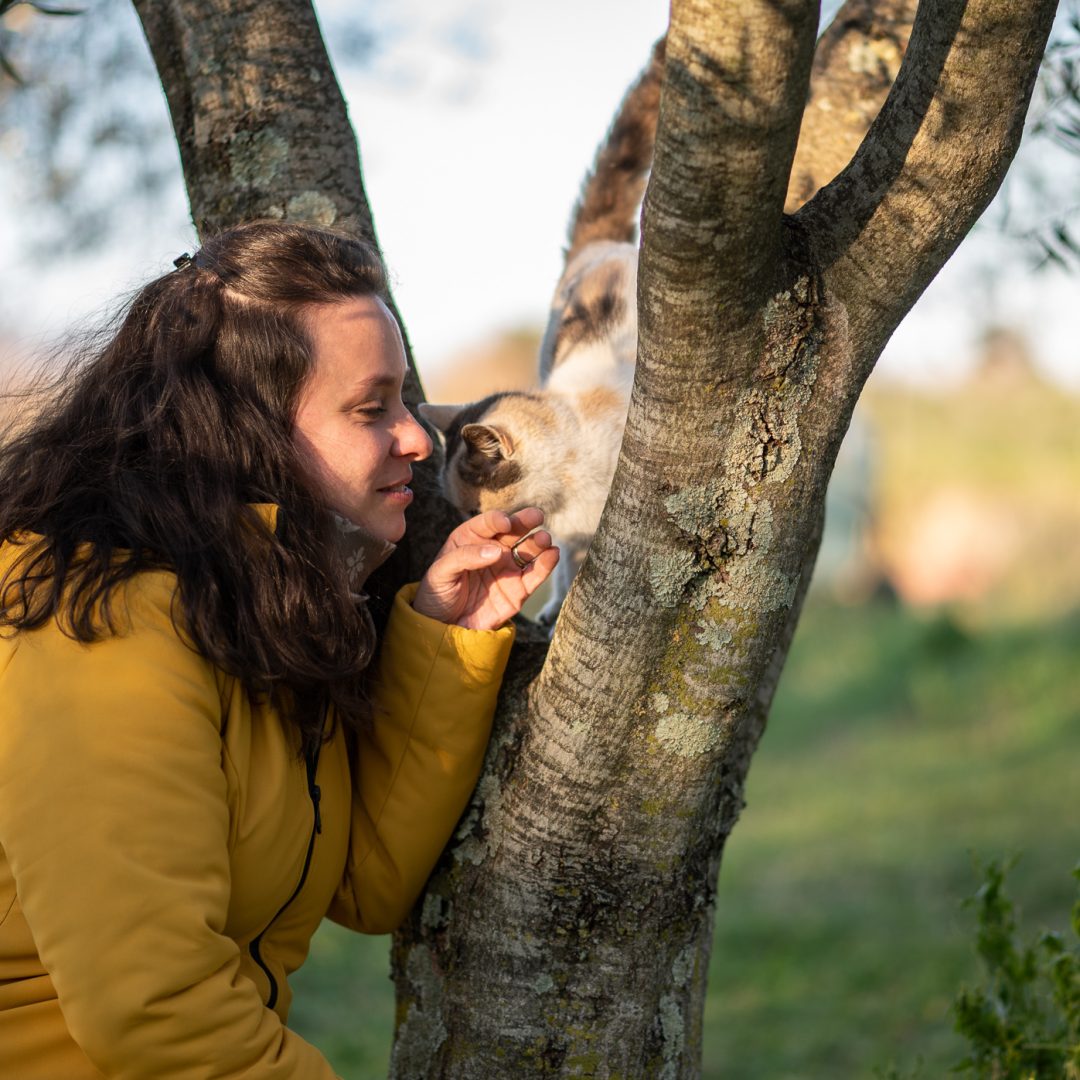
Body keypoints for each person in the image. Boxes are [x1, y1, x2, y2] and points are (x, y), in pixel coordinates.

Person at [0, 221, 559, 1078]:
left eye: (404, 400)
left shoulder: (252, 592)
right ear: (244, 429)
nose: (418, 437)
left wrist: (450, 639)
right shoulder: (104, 624)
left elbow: (364, 878)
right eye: (371, 408)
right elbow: (156, 1012)